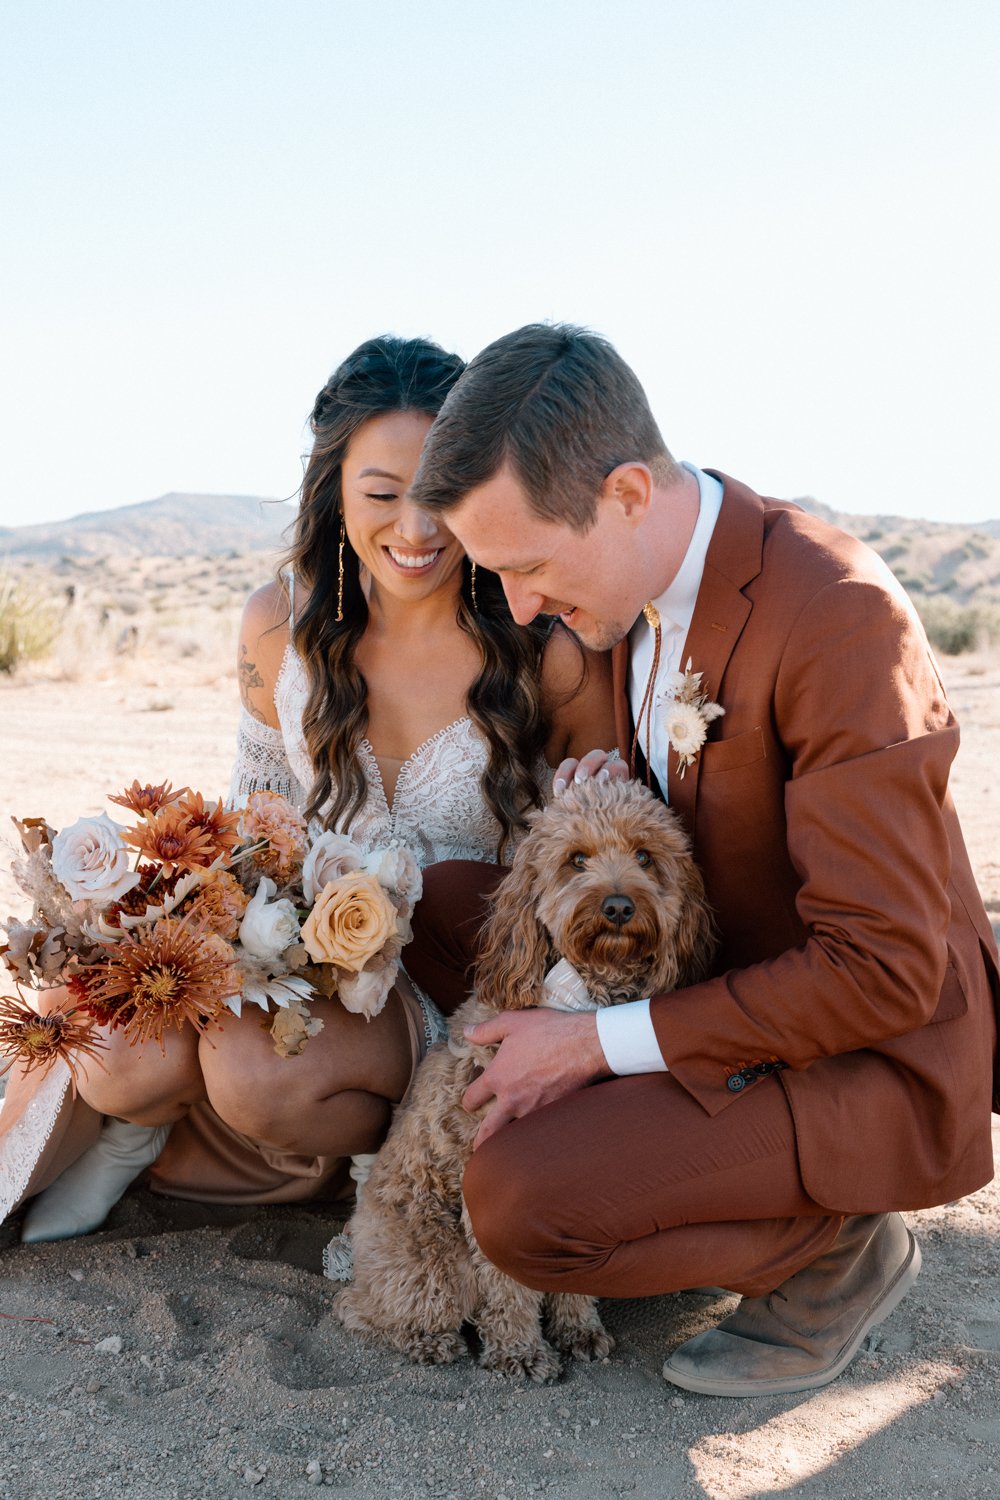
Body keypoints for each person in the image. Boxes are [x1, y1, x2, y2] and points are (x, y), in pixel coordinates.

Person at [402, 322, 1000, 1397]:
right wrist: (598, 792)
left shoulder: (837, 618)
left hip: (858, 1051)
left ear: (627, 492)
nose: (522, 608)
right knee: (442, 909)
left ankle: (831, 1248)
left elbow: (885, 971)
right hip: (722, 977)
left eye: (529, 566)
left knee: (520, 1208)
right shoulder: (629, 595)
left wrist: (592, 1046)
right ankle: (645, 1144)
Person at [1, 334, 617, 1242]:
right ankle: (131, 1141)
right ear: (333, 488)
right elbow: (250, 818)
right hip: (292, 946)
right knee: (124, 1033)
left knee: (259, 1074)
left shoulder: (545, 643)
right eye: (381, 494)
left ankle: (385, 1170)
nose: (416, 529)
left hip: (450, 972)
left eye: (442, 491)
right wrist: (232, 930)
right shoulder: (275, 624)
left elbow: (589, 852)